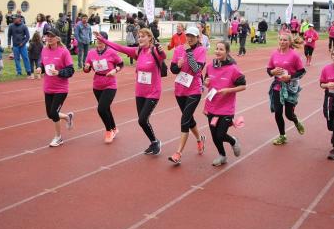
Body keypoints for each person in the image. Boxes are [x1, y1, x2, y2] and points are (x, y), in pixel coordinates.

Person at [95, 28, 166, 155]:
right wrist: (103, 40)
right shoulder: (138, 51)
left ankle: (155, 142)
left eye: (143, 36)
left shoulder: (155, 51)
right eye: (138, 36)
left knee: (142, 120)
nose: (139, 39)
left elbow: (163, 56)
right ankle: (154, 142)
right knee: (142, 120)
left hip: (153, 92)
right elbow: (119, 48)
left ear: (150, 38)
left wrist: (162, 52)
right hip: (140, 92)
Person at [168, 26, 207, 164]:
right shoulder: (178, 49)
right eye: (188, 35)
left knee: (184, 120)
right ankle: (199, 139)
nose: (189, 38)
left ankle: (178, 153)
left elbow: (197, 69)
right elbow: (172, 69)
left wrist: (189, 52)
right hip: (180, 89)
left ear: (197, 38)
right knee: (188, 119)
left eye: (193, 36)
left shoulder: (201, 50)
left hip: (194, 90)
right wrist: (177, 66)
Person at [204, 41, 246, 166]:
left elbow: (243, 86)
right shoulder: (210, 66)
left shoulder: (233, 69)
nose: (217, 51)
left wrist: (229, 90)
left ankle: (233, 141)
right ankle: (222, 156)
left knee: (220, 134)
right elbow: (206, 82)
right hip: (212, 106)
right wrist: (205, 83)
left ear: (227, 52)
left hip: (226, 109)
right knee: (214, 136)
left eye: (221, 49)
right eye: (216, 48)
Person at [35, 30, 75, 147]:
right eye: (48, 36)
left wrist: (59, 72)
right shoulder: (44, 50)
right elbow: (42, 64)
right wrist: (39, 68)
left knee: (53, 112)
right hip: (48, 87)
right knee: (50, 114)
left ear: (58, 38)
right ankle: (68, 117)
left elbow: (70, 70)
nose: (50, 38)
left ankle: (58, 137)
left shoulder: (64, 52)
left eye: (52, 36)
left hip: (61, 89)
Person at [84, 31, 124, 143]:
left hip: (110, 84)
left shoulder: (111, 52)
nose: (99, 42)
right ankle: (114, 128)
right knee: (106, 108)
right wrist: (86, 67)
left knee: (101, 108)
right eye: (97, 40)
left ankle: (108, 131)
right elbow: (86, 69)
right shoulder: (91, 53)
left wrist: (114, 70)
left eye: (101, 40)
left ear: (106, 41)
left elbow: (121, 64)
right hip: (97, 84)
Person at [267, 33, 306, 145]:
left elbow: (301, 71)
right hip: (277, 86)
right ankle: (282, 136)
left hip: (290, 87)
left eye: (285, 40)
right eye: (281, 40)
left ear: (289, 42)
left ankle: (296, 121)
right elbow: (269, 69)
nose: (282, 42)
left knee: (288, 114)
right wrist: (272, 72)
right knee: (278, 112)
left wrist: (290, 77)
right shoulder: (274, 54)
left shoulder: (294, 55)